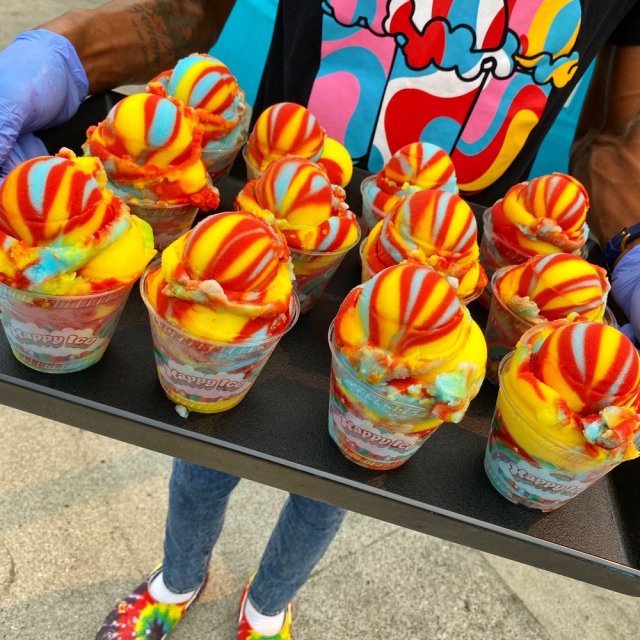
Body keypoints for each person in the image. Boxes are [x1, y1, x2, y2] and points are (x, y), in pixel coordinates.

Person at [1, 2, 640, 639]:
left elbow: (621, 128)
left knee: (334, 482)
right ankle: (179, 578)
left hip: (454, 250)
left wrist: (630, 244)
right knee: (202, 440)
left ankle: (268, 606)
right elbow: (187, 10)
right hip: (277, 205)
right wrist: (67, 52)